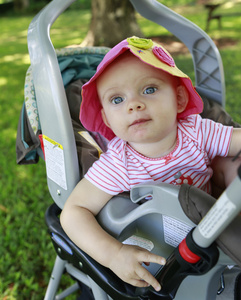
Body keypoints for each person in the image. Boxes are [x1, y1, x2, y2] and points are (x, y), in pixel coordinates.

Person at [60, 37, 241, 292]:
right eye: (117, 100)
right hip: (165, 243)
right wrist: (114, 255)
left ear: (178, 99)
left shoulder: (196, 131)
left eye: (149, 90)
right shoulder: (119, 164)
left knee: (234, 165)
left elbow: (236, 140)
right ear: (107, 120)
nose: (134, 104)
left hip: (214, 221)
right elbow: (74, 211)